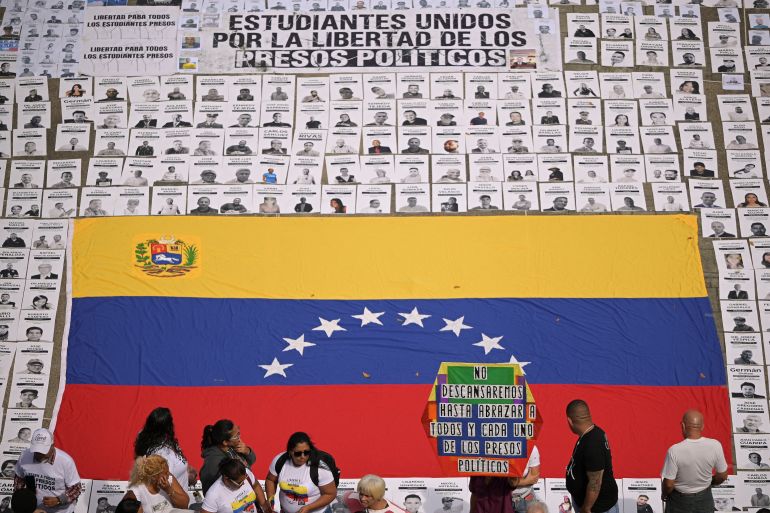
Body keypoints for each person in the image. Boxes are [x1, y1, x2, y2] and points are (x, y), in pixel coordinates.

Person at [661, 410, 728, 513]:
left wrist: (664, 494)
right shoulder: (715, 445)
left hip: (679, 500)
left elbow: (669, 484)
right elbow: (723, 476)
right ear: (702, 426)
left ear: (682, 425)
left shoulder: (675, 450)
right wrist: (709, 482)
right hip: (704, 497)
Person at [565, 400, 618, 513]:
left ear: (569, 421)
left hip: (597, 508)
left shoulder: (592, 443)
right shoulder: (591, 434)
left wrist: (586, 507)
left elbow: (595, 482)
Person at [265, 432, 337, 513]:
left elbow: (330, 494)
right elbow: (270, 480)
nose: (303, 456)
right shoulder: (280, 460)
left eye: (306, 452)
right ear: (290, 452)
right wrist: (270, 498)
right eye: (298, 453)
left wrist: (309, 508)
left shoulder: (319, 467)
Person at [13, 428, 81, 513]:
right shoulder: (24, 456)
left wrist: (58, 500)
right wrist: (27, 507)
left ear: (52, 445)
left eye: (43, 450)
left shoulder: (65, 461)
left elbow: (76, 488)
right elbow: (19, 482)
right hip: (35, 510)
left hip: (61, 511)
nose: (39, 453)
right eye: (36, 450)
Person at [134, 408, 190, 490]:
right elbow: (165, 483)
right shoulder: (161, 454)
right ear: (168, 426)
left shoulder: (147, 438)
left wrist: (185, 472)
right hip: (172, 501)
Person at [200, 420, 256, 495]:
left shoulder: (233, 447)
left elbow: (251, 462)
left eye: (238, 432)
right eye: (236, 436)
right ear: (225, 442)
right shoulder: (213, 461)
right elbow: (208, 489)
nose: (239, 438)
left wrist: (247, 451)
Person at [122, 455, 189, 513]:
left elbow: (185, 505)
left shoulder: (169, 479)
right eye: (165, 473)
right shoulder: (136, 491)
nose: (168, 475)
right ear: (154, 477)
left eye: (168, 472)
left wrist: (169, 490)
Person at [201, 457, 266, 513]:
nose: (243, 483)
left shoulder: (246, 474)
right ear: (226, 479)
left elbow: (256, 485)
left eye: (244, 479)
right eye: (239, 482)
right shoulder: (213, 495)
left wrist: (265, 506)